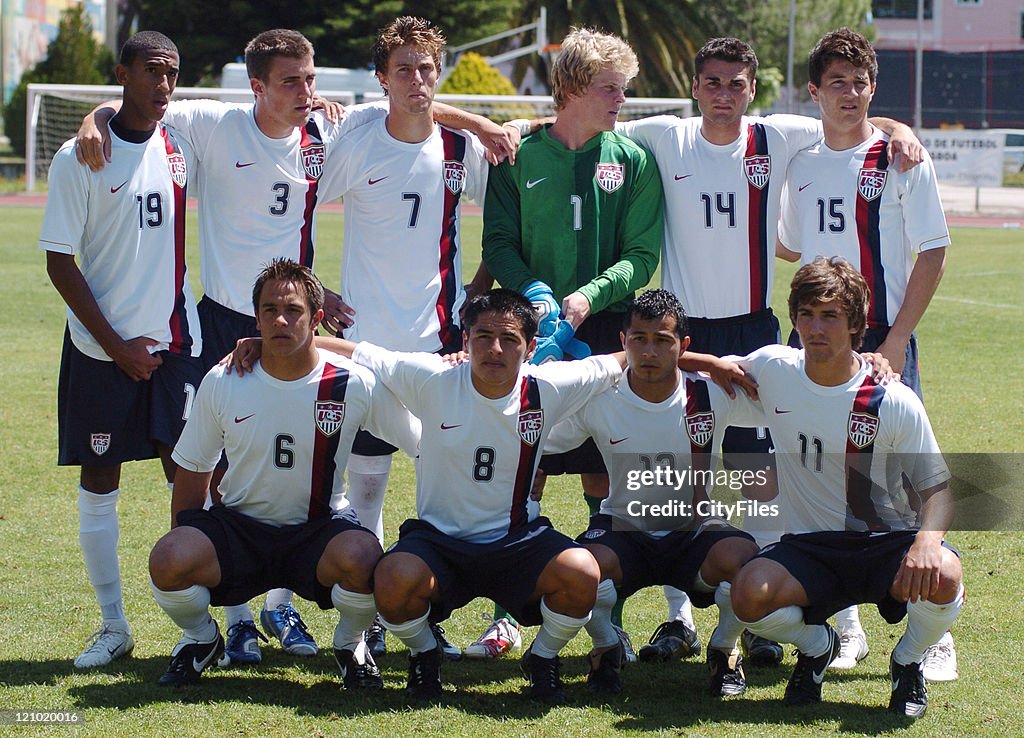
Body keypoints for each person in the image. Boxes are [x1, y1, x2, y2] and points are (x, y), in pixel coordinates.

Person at [75, 27, 513, 665]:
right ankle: (246, 616)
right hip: (230, 321)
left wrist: (474, 117)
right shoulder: (216, 124)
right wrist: (94, 118)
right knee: (233, 474)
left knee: (365, 471)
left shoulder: (332, 131)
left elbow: (409, 103)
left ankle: (369, 613)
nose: (307, 92)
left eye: (311, 81)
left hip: (311, 323)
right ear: (257, 85)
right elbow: (144, 104)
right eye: (292, 81)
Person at [228, 288, 751, 701]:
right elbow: (366, 353)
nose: (495, 349)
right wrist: (289, 342)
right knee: (391, 578)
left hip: (516, 539)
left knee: (582, 575)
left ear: (530, 346)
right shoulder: (432, 376)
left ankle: (544, 657)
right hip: (438, 540)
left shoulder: (550, 385)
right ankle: (424, 653)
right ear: (466, 338)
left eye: (508, 339)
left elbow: (633, 356)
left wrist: (701, 361)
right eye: (482, 337)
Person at [314, 15, 497, 660]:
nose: (417, 81)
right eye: (403, 70)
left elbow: (505, 223)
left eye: (427, 68)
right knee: (363, 486)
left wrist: (477, 291)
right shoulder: (356, 138)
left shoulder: (460, 150)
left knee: (441, 483)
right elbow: (297, 207)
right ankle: (362, 620)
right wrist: (314, 291)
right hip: (363, 347)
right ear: (381, 79)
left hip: (437, 346)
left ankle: (425, 612)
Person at [479, 27, 663, 659]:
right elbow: (498, 243)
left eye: (624, 88)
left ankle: (605, 622)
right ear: (575, 88)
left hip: (606, 346)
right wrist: (533, 287)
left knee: (600, 478)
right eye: (611, 88)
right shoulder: (520, 155)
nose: (621, 100)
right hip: (530, 345)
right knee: (522, 476)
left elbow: (643, 256)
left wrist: (590, 296)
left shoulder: (633, 159)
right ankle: (507, 615)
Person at [148, 259, 418, 687]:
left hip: (317, 530)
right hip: (239, 529)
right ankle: (201, 639)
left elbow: (419, 442)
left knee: (366, 560)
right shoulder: (224, 379)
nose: (280, 319)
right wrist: (184, 535)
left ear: (316, 320)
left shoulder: (353, 384)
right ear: (255, 319)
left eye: (293, 310)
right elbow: (194, 467)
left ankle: (350, 644)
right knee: (168, 559)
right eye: (270, 309)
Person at [776, 28, 954, 678]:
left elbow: (933, 250)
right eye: (838, 83)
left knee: (905, 478)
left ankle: (931, 628)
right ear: (815, 91)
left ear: (873, 88)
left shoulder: (902, 158)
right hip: (814, 343)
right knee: (820, 475)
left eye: (861, 83)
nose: (850, 94)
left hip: (882, 340)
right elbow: (791, 246)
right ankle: (845, 625)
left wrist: (899, 337)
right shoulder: (800, 160)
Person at [728, 256, 963, 718]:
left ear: (856, 326)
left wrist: (926, 541)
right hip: (809, 547)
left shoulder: (891, 398)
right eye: (806, 315)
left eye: (831, 316)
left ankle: (908, 661)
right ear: (793, 319)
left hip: (884, 543)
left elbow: (939, 490)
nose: (816, 328)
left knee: (945, 575)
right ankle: (818, 646)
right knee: (748, 594)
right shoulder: (773, 369)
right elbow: (710, 373)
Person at [39, 30, 204, 669]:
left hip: (174, 343)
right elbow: (59, 261)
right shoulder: (79, 156)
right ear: (122, 73)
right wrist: (115, 345)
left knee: (189, 477)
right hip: (99, 349)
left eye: (173, 73)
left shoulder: (183, 142)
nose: (165, 85)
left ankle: (203, 626)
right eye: (153, 72)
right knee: (100, 478)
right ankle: (113, 626)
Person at [544, 289, 761, 696]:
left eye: (663, 340)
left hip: (693, 531)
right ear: (623, 342)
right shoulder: (600, 398)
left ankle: (724, 650)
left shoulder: (713, 392)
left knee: (744, 560)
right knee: (579, 570)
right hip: (624, 528)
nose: (649, 351)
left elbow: (784, 394)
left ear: (683, 347)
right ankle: (606, 647)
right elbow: (541, 438)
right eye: (639, 339)